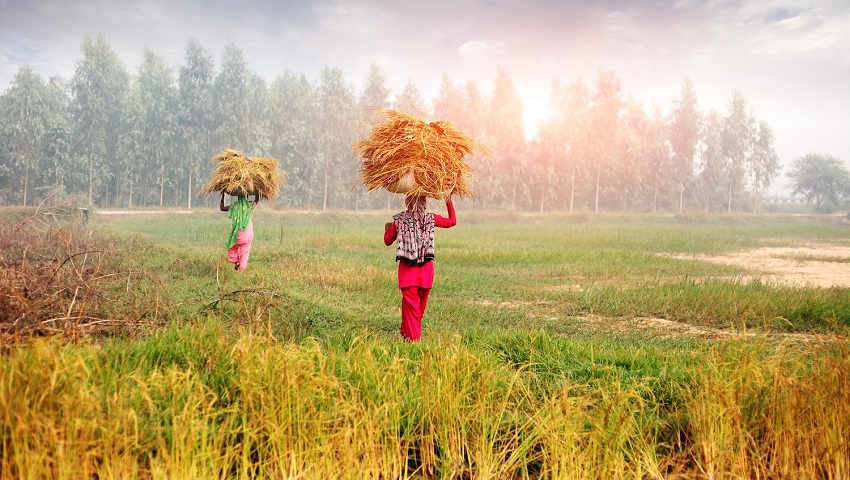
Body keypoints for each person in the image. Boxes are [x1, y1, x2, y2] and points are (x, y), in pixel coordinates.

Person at [384, 194, 456, 341]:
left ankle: (414, 343)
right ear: (424, 203)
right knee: (416, 311)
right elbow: (452, 221)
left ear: (408, 203)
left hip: (408, 275)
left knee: (412, 312)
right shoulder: (431, 218)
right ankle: (406, 335)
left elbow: (387, 241)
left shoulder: (400, 220)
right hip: (426, 274)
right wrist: (448, 200)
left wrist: (387, 229)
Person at [220, 191, 259, 272]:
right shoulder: (250, 205)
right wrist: (258, 192)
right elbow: (257, 200)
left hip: (237, 234)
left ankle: (236, 262)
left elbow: (222, 208)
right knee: (245, 250)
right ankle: (242, 269)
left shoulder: (234, 206)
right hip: (248, 233)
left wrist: (223, 195)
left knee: (231, 247)